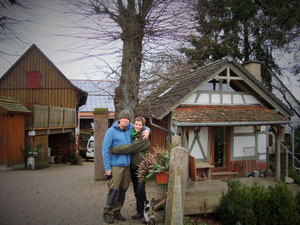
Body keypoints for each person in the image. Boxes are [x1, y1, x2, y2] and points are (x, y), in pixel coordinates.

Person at [101, 110, 150, 224]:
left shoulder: (130, 129)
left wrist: (148, 130)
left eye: (128, 119)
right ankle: (107, 213)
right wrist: (107, 168)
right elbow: (105, 150)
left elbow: (142, 126)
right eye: (124, 118)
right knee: (114, 190)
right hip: (116, 166)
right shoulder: (111, 131)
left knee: (123, 190)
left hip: (127, 166)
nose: (126, 120)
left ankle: (116, 212)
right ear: (119, 119)